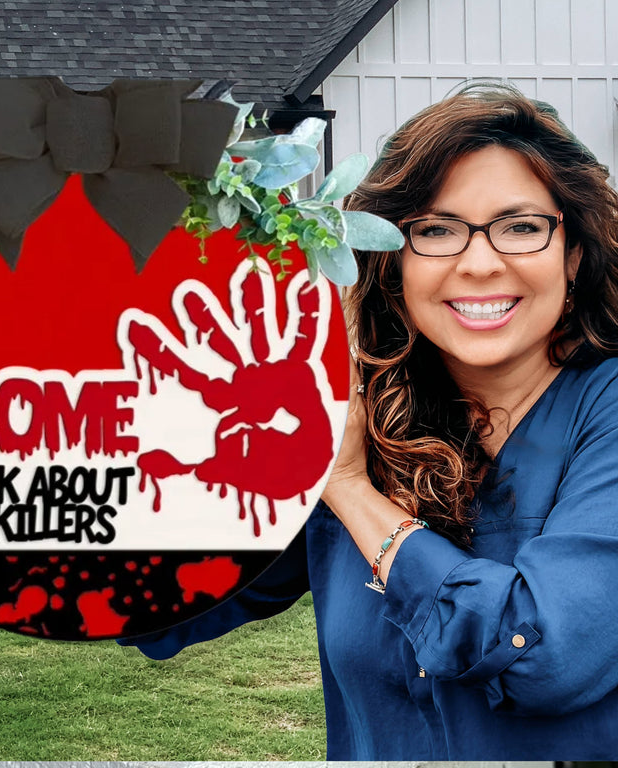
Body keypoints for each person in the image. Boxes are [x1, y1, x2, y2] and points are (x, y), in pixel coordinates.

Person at [121, 83, 618, 759]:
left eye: (521, 227)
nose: (479, 262)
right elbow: (152, 605)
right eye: (436, 230)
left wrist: (351, 489)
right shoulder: (365, 414)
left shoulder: (603, 413)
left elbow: (545, 657)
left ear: (575, 253)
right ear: (393, 261)